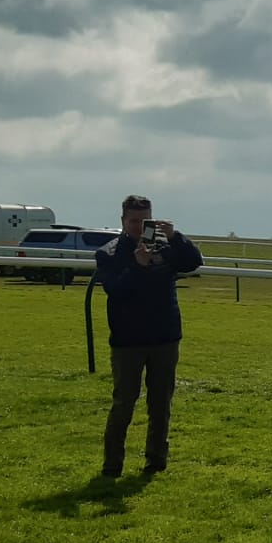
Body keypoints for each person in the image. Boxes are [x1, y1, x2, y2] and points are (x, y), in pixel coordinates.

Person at [94, 195, 204, 478]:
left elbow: (193, 262)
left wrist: (175, 236)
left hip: (164, 337)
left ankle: (156, 461)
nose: (138, 226)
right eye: (133, 221)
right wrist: (137, 266)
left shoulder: (166, 247)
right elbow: (116, 289)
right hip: (128, 341)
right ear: (123, 221)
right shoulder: (109, 252)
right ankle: (112, 465)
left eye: (145, 221)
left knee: (160, 403)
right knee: (124, 403)